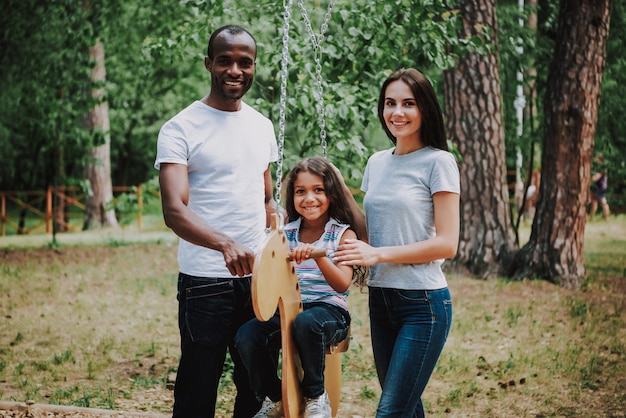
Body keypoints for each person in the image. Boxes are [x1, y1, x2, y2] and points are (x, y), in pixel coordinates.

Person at [154, 25, 278, 418]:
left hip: (259, 280)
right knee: (197, 388)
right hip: (204, 283)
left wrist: (280, 229)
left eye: (245, 62)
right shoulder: (180, 128)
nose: (235, 70)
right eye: (225, 61)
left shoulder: (262, 125)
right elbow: (174, 210)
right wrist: (225, 244)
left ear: (255, 66)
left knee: (256, 389)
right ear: (209, 64)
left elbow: (267, 197)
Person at [332, 68, 460, 417]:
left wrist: (378, 254)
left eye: (408, 103)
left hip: (423, 304)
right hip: (381, 300)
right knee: (405, 407)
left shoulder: (439, 162)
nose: (397, 112)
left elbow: (448, 244)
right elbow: (372, 231)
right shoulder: (376, 162)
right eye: (390, 103)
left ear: (425, 109)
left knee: (390, 411)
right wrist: (341, 189)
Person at [234, 156, 366, 418]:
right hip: (291, 311)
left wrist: (318, 256)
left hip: (330, 313)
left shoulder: (342, 234)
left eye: (318, 190)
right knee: (247, 336)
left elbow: (341, 285)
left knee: (308, 323)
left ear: (331, 194)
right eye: (300, 191)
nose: (309, 198)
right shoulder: (286, 235)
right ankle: (272, 396)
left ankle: (316, 396)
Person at [589, 155, 610, 221]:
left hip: (600, 188)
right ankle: (592, 217)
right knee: (595, 202)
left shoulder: (601, 169)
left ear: (600, 160)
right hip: (601, 187)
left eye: (597, 159)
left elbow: (595, 178)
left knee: (602, 202)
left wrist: (589, 178)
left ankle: (605, 217)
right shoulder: (602, 168)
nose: (595, 161)